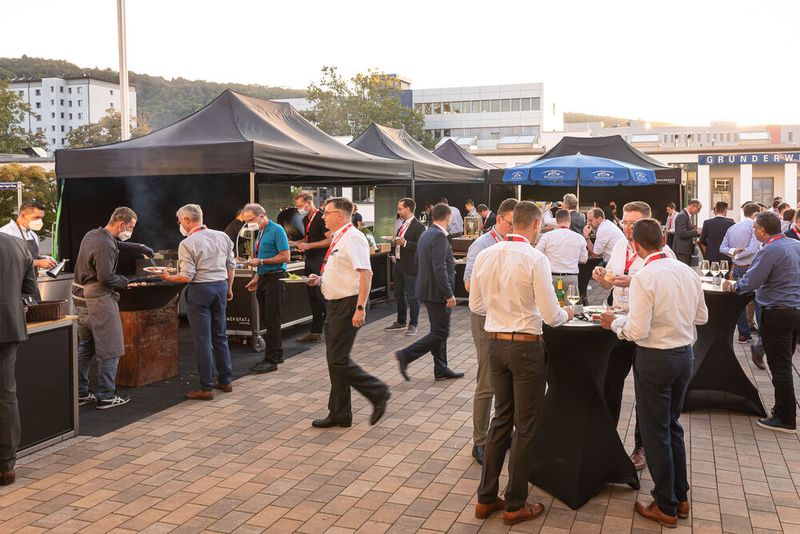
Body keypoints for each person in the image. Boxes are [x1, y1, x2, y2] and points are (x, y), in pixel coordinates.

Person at [470, 201, 573, 526]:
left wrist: (503, 312)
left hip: (496, 345)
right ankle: (515, 503)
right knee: (526, 427)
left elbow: (476, 304)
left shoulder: (487, 254)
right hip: (526, 348)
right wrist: (567, 313)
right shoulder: (534, 257)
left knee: (501, 420)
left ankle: (486, 498)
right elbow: (551, 315)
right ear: (535, 226)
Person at [600, 218, 707, 528]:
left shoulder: (645, 276)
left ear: (635, 245)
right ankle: (680, 496)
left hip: (656, 359)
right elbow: (702, 316)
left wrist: (614, 324)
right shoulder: (687, 271)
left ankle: (665, 504)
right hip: (684, 356)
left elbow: (635, 329)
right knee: (672, 427)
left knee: (655, 432)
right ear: (663, 239)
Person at [592, 201, 676, 471]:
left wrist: (634, 281)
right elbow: (610, 281)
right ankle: (605, 439)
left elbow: (666, 291)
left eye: (633, 223)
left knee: (644, 393)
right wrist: (602, 277)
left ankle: (642, 447)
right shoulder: (619, 245)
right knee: (609, 384)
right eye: (625, 223)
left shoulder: (664, 254)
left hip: (645, 329)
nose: (627, 228)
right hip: (617, 323)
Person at [305, 197, 390, 428]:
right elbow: (343, 270)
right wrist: (320, 279)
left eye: (326, 213)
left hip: (348, 304)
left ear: (340, 215)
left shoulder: (353, 237)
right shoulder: (340, 237)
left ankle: (378, 391)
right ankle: (340, 412)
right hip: (335, 304)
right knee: (335, 361)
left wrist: (360, 307)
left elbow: (366, 274)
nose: (323, 217)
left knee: (338, 360)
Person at [724, 211, 800, 433]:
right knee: (785, 362)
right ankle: (782, 409)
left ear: (762, 230)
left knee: (780, 366)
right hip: (795, 311)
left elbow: (750, 282)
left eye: (754, 228)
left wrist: (732, 286)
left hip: (777, 313)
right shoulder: (795, 245)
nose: (753, 231)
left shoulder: (769, 250)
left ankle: (786, 417)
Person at [463, 198, 517, 466]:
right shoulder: (481, 245)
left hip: (510, 320)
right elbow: (468, 285)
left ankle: (503, 433)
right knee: (486, 381)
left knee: (507, 382)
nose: (514, 228)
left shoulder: (519, 244)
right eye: (511, 223)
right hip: (485, 319)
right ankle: (480, 441)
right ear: (498, 220)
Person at [161, 204, 235, 400]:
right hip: (220, 286)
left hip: (201, 290)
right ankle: (226, 380)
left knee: (203, 340)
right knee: (220, 335)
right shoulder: (222, 236)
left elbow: (186, 276)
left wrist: (167, 277)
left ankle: (206, 387)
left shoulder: (187, 243)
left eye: (179, 221)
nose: (180, 225)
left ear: (186, 220)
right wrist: (229, 287)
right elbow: (231, 265)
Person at [72, 207, 138, 409]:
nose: (130, 231)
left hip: (79, 297)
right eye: (131, 227)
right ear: (121, 224)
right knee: (111, 349)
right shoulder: (106, 245)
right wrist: (126, 281)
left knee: (87, 347)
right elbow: (106, 277)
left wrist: (138, 247)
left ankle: (80, 392)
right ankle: (106, 395)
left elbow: (112, 243)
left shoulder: (92, 234)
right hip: (97, 299)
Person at [395, 203, 464, 382]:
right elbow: (439, 267)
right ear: (448, 217)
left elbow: (421, 260)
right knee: (441, 332)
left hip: (426, 289)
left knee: (438, 330)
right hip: (437, 292)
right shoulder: (439, 236)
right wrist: (448, 293)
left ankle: (440, 369)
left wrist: (450, 262)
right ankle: (406, 355)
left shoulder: (426, 233)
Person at [0, 233, 37, 486]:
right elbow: (30, 290)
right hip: (8, 328)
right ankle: (6, 466)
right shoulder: (16, 244)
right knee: (6, 395)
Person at [241, 203, 290, 374]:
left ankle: (272, 359)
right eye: (246, 221)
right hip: (264, 278)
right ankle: (278, 354)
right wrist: (256, 277)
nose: (249, 224)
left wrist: (261, 262)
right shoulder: (260, 232)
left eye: (251, 220)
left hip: (276, 278)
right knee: (267, 318)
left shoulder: (277, 230)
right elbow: (262, 256)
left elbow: (285, 256)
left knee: (272, 319)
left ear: (261, 215)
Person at [721, 202, 762, 344]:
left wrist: (733, 253)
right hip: (751, 266)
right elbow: (752, 249)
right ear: (755, 214)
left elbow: (723, 248)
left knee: (739, 301)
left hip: (737, 267)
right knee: (758, 301)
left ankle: (743, 334)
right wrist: (737, 255)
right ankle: (763, 335)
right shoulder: (754, 227)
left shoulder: (732, 227)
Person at [293, 192, 331, 344]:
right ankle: (315, 331)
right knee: (312, 296)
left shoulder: (321, 218)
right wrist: (294, 243)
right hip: (309, 260)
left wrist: (309, 245)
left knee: (320, 296)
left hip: (319, 260)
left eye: (301, 206)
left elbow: (330, 240)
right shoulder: (305, 219)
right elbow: (309, 238)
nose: (299, 209)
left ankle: (330, 329)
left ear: (309, 202)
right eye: (298, 207)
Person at [384, 198, 426, 336]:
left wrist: (406, 243)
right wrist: (393, 254)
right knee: (398, 294)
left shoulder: (418, 226)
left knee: (413, 296)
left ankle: (413, 324)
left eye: (400, 208)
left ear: (408, 209)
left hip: (411, 266)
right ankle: (401, 321)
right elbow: (398, 242)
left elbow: (421, 246)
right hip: (399, 264)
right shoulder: (402, 225)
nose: (398, 211)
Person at [0, 201, 57, 301]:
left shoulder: (33, 235)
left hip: (31, 287)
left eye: (41, 218)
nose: (40, 221)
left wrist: (43, 258)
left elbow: (30, 256)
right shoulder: (5, 234)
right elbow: (7, 263)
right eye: (36, 218)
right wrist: (38, 262)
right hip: (12, 290)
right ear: (22, 215)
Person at [535, 209, 588, 291]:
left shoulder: (547, 236)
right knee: (571, 302)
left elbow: (537, 253)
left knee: (552, 303)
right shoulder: (579, 238)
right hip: (571, 277)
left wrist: (548, 257)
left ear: (556, 221)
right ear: (569, 220)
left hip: (552, 277)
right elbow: (584, 259)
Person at [672, 199, 702, 265]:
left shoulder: (686, 215)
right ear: (692, 206)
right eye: (698, 209)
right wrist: (696, 232)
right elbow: (681, 233)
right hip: (682, 251)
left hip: (684, 250)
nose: (698, 212)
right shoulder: (682, 215)